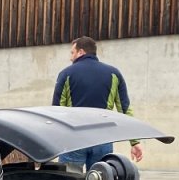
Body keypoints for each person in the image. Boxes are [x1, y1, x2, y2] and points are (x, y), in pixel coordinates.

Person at [51, 36, 144, 167]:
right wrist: (135, 142)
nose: (70, 58)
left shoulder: (66, 74)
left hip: (74, 140)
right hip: (102, 139)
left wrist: (54, 142)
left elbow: (56, 111)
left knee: (70, 179)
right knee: (100, 178)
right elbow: (125, 109)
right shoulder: (114, 73)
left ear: (81, 52)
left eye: (72, 53)